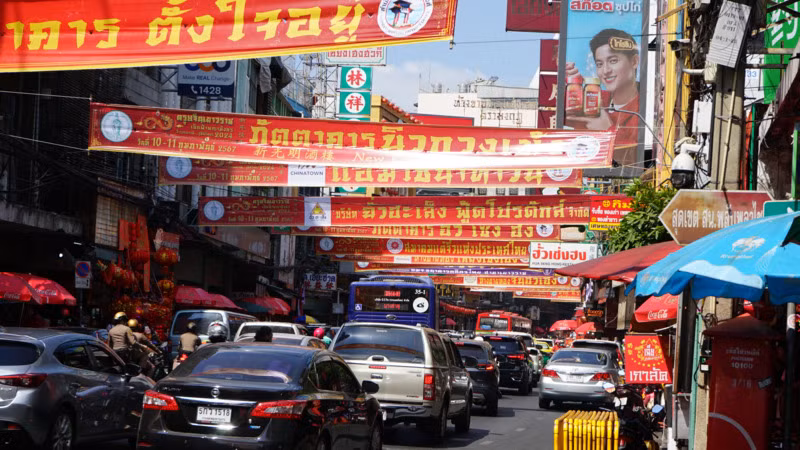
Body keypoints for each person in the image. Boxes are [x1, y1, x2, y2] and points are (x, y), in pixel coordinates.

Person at [565, 28, 641, 166]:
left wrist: (607, 130)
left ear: (634, 61)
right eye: (599, 64)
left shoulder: (646, 109)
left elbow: (635, 162)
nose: (605, 71)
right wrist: (573, 81)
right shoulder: (599, 100)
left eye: (613, 61)